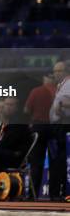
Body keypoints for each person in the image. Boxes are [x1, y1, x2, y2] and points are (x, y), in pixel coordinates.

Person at [24, 73, 57, 199]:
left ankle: (32, 195)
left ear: (44, 78)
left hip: (38, 128)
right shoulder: (57, 91)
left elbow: (26, 110)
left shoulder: (36, 91)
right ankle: (55, 195)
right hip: (54, 128)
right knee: (55, 162)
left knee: (36, 163)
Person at [48, 61, 69, 201]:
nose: (56, 74)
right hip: (57, 125)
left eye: (59, 71)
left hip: (64, 125)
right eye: (54, 71)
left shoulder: (69, 84)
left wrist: (61, 105)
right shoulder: (60, 86)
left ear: (65, 71)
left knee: (60, 160)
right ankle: (56, 192)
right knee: (56, 160)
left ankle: (61, 192)